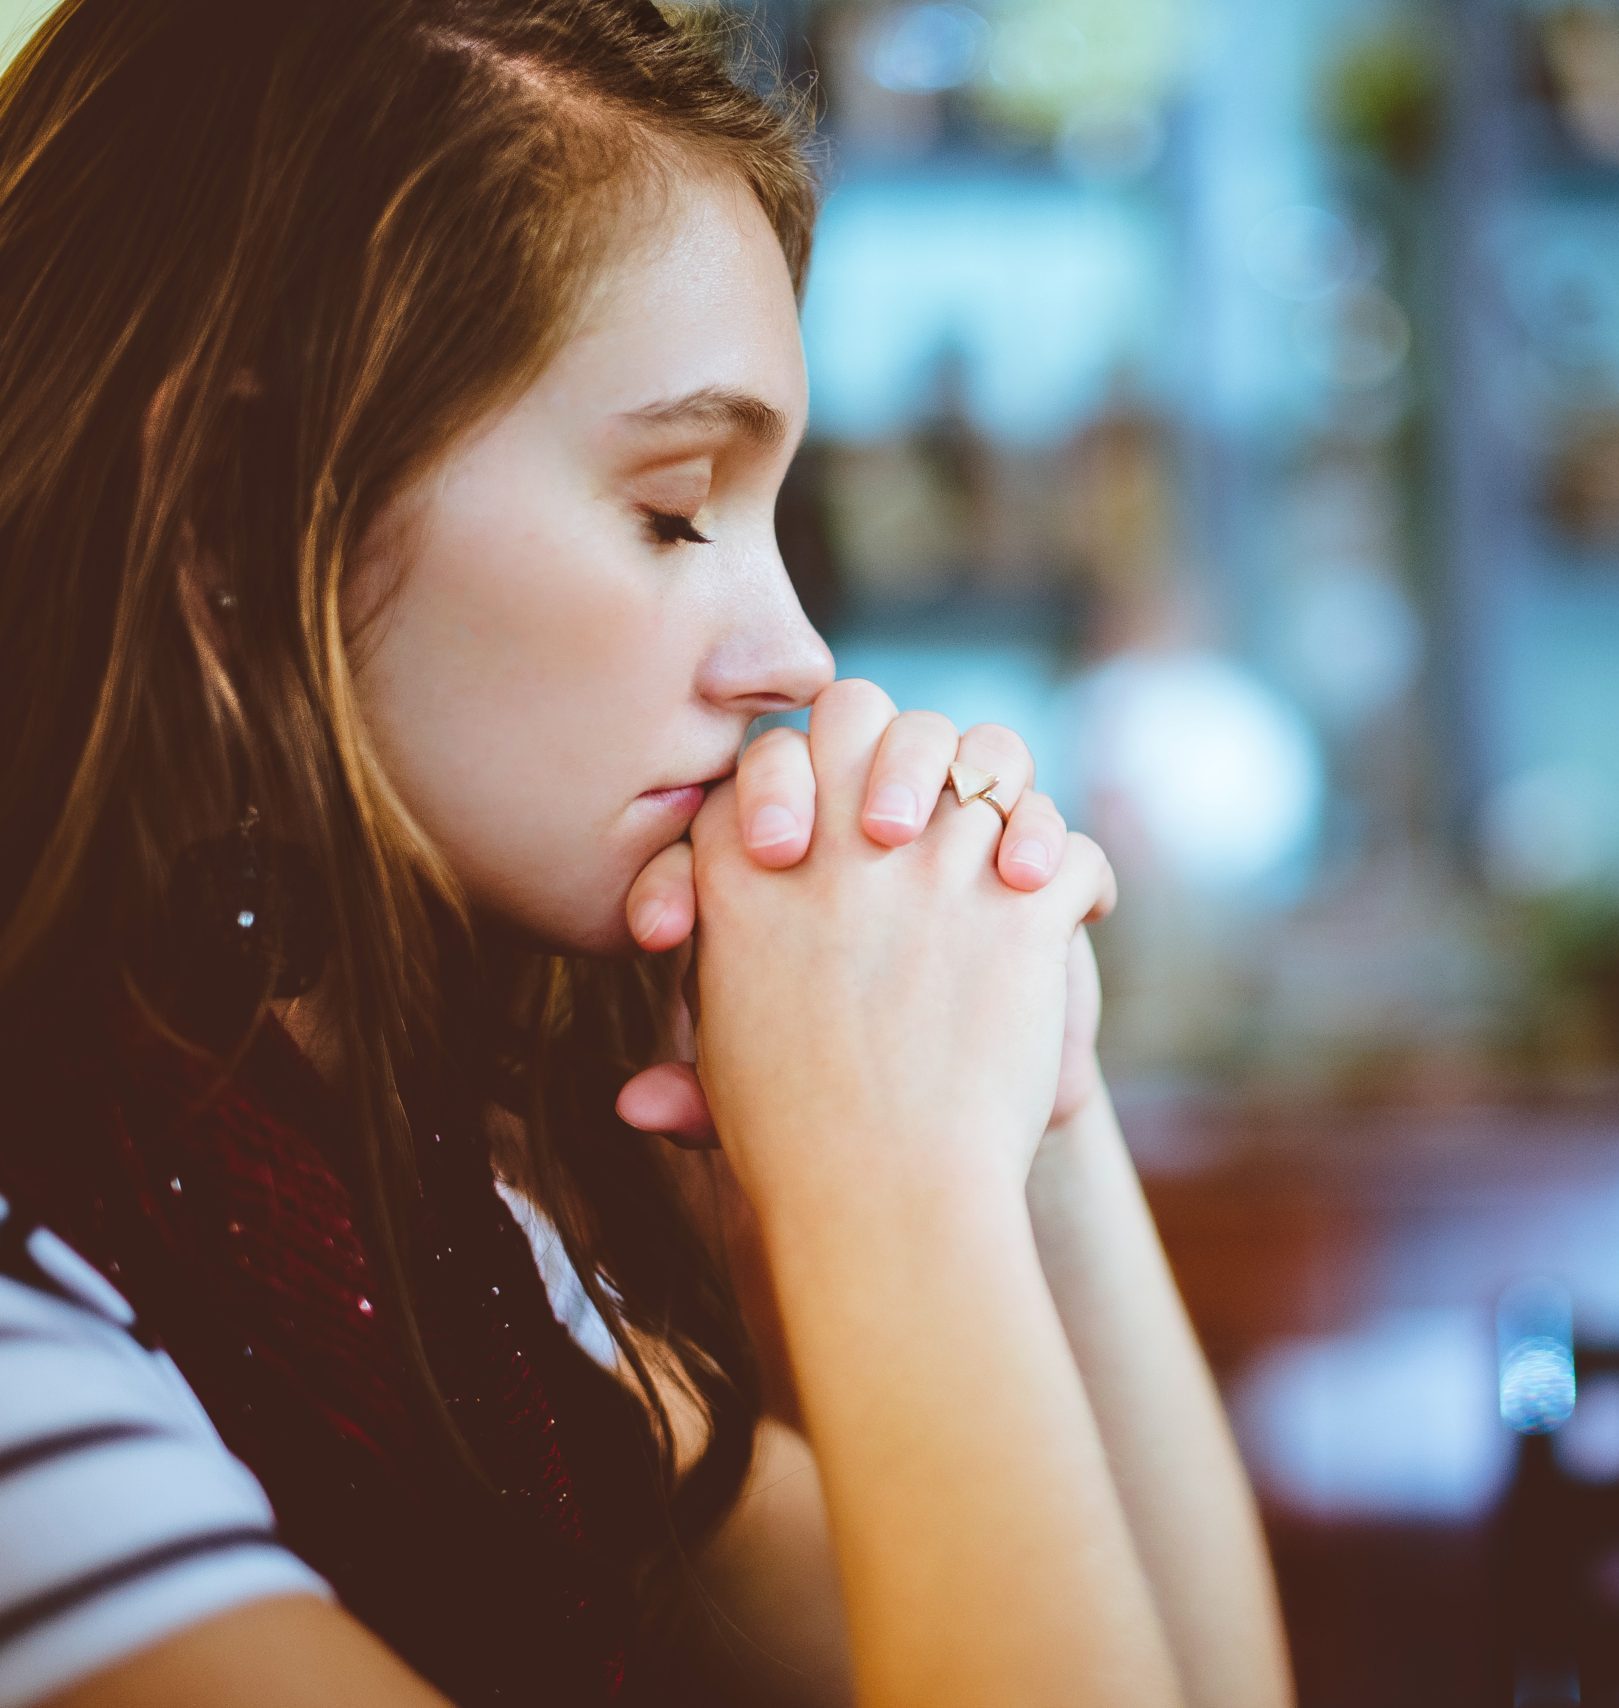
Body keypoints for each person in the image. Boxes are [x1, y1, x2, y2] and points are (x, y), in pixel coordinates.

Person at [0, 1, 1296, 1705]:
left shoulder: (432, 1225)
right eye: (676, 506)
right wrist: (886, 1187)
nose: (802, 659)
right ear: (243, 510)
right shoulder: (42, 1340)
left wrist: (1023, 1095)